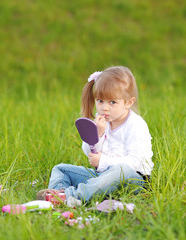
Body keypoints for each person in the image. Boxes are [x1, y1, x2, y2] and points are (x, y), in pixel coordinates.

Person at [36, 66, 154, 206]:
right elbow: (89, 152)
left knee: (121, 169)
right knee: (60, 169)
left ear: (128, 102)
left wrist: (102, 161)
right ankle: (58, 195)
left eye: (112, 102)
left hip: (133, 180)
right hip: (103, 176)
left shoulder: (136, 125)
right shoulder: (101, 122)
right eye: (100, 101)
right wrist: (98, 133)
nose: (105, 107)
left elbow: (135, 162)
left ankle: (72, 196)